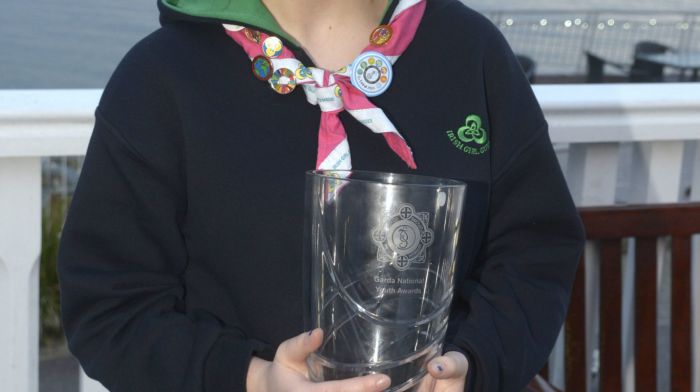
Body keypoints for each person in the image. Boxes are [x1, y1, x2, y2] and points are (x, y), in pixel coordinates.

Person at [57, 0, 585, 391]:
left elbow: (533, 254)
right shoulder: (161, 78)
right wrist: (254, 379)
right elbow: (109, 305)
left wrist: (477, 361)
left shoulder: (472, 54)